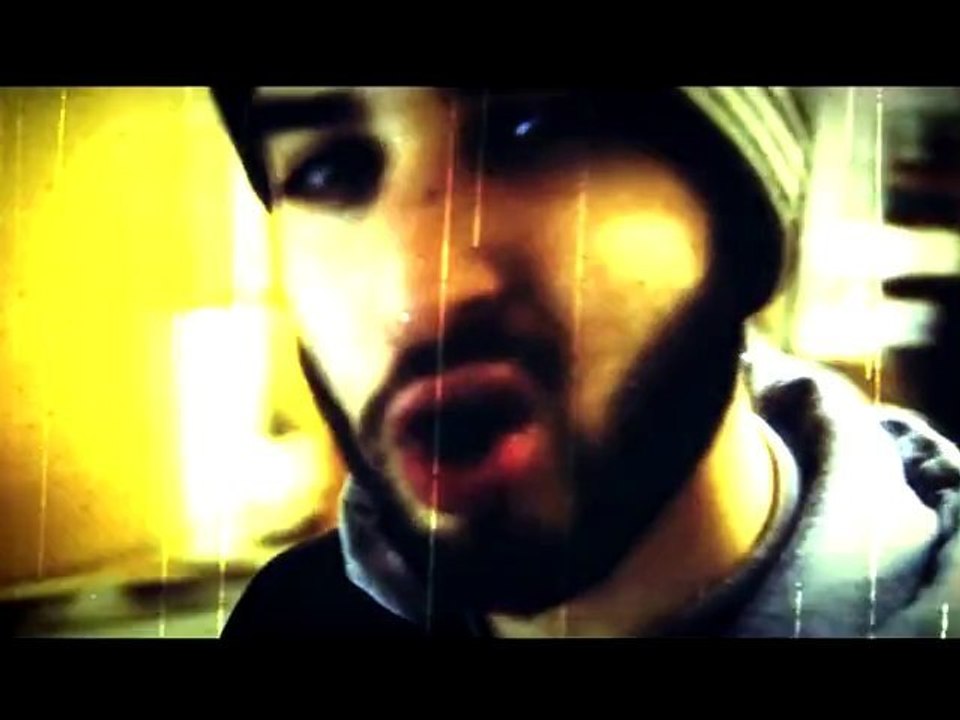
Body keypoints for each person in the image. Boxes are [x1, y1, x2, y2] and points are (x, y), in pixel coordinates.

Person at [213, 87, 960, 638]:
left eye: (531, 127)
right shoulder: (294, 619)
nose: (418, 296)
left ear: (745, 225)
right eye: (328, 171)